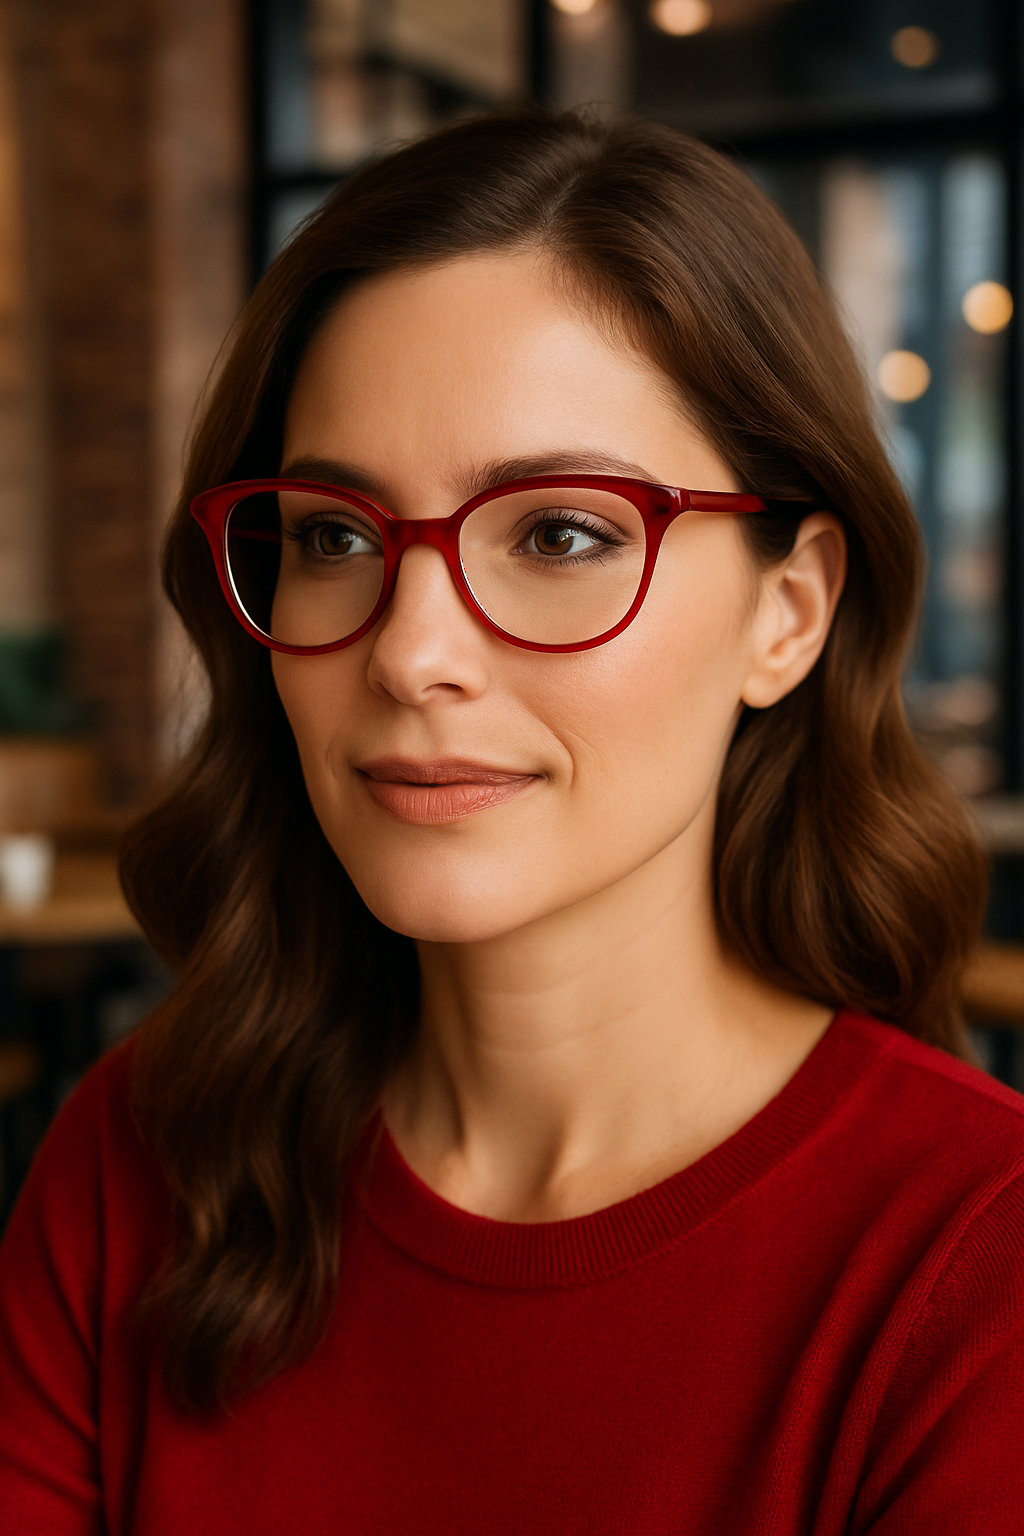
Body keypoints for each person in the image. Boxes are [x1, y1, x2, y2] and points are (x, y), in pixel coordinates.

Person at [1, 107, 1023, 1535]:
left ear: (787, 617)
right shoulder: (141, 1163)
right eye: (334, 537)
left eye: (558, 534)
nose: (413, 652)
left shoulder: (976, 1275)